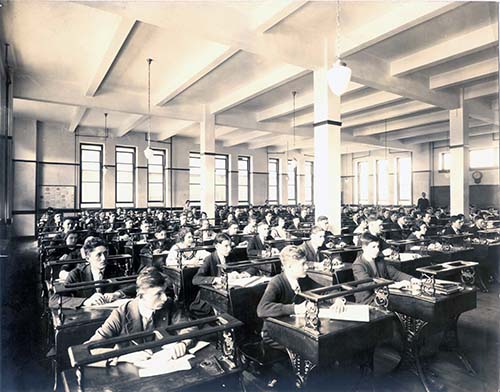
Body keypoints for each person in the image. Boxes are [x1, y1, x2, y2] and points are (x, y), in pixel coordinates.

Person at [86, 267, 194, 357]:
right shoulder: (120, 314)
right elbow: (88, 348)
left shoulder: (169, 305)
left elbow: (189, 327)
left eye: (165, 292)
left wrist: (183, 342)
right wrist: (123, 356)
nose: (165, 298)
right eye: (158, 293)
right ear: (141, 295)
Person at [257, 245, 345, 345]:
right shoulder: (276, 282)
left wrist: (337, 299)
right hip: (274, 335)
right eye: (303, 264)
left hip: (294, 329)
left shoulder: (303, 279)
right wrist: (296, 309)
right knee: (312, 348)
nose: (306, 267)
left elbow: (324, 291)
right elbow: (262, 309)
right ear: (289, 267)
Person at [49, 236, 131, 309]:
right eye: (99, 255)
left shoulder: (114, 270)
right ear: (88, 258)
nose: (103, 258)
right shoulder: (77, 274)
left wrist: (117, 294)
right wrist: (86, 301)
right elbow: (54, 300)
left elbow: (133, 286)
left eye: (105, 253)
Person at [352, 233, 416, 304]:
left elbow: (395, 273)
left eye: (378, 246)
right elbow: (369, 284)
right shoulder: (358, 265)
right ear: (364, 248)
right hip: (368, 300)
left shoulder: (379, 259)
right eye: (373, 247)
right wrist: (395, 285)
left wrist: (412, 279)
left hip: (382, 295)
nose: (377, 250)